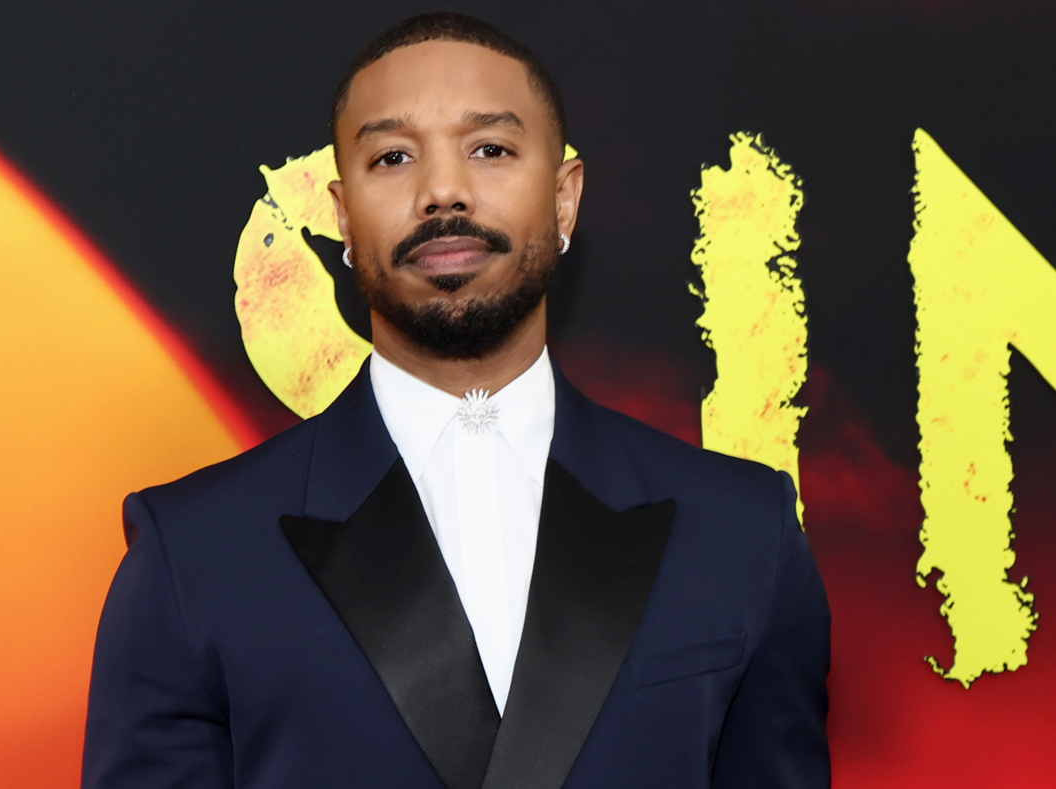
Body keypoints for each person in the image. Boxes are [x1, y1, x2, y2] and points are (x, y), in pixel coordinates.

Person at [82, 11, 830, 789]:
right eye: (393, 157)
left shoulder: (743, 533)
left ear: (565, 197)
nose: (443, 191)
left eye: (490, 149)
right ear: (341, 214)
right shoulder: (193, 554)